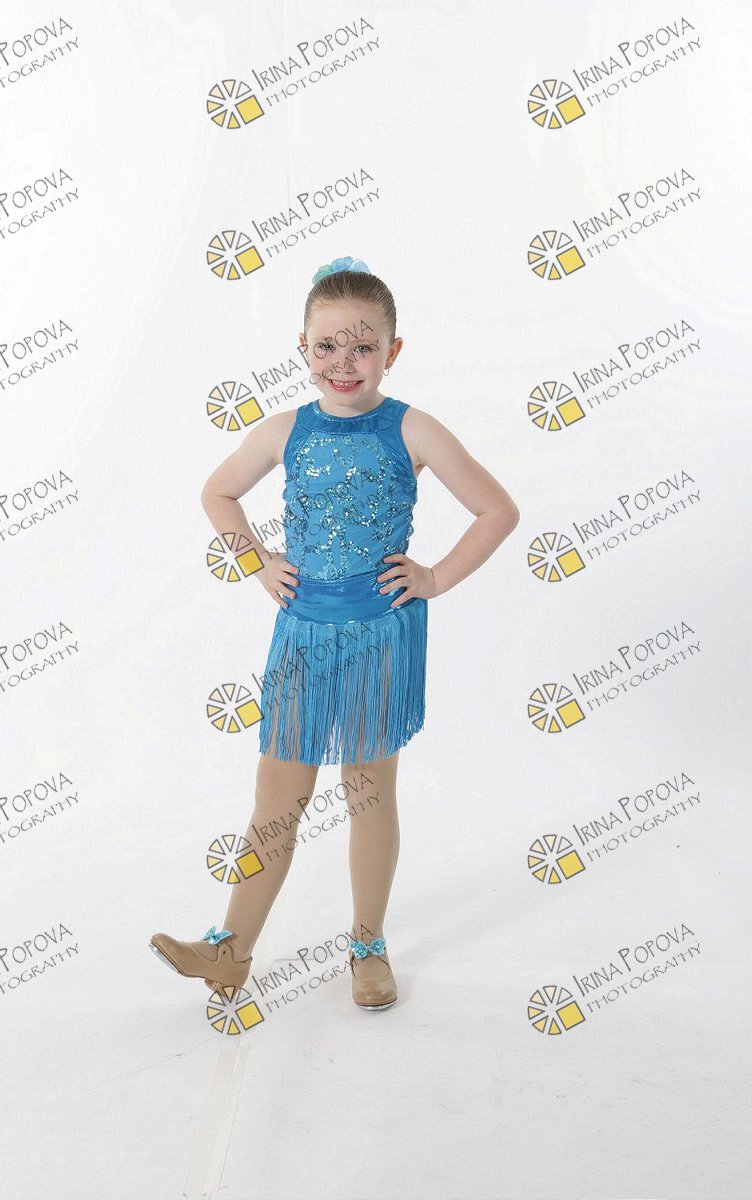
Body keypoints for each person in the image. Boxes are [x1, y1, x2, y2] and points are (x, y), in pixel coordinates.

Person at [150, 255, 521, 1012]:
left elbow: (498, 511)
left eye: (363, 346)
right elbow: (218, 492)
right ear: (302, 347)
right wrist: (258, 562)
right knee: (276, 799)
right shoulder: (285, 430)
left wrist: (434, 577)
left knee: (367, 792)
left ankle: (368, 945)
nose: (343, 363)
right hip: (303, 635)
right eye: (327, 346)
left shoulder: (412, 428)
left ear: (393, 350)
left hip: (380, 633)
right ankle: (230, 949)